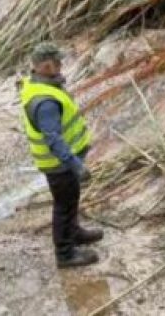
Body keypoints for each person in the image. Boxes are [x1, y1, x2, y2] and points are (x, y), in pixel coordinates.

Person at [19, 42, 103, 269]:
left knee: (70, 199)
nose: (61, 65)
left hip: (62, 162)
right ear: (46, 65)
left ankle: (74, 232)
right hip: (59, 164)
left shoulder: (39, 85)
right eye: (57, 61)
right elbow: (53, 138)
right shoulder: (45, 101)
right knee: (64, 206)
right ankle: (65, 254)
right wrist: (75, 164)